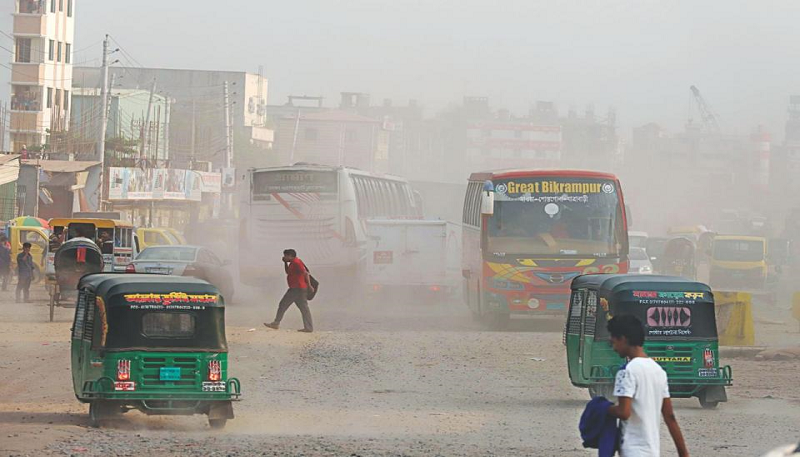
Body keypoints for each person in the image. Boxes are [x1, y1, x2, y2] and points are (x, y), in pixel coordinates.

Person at [606, 315, 689, 457]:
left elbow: (624, 412)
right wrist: (684, 454)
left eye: (613, 343)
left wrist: (603, 408)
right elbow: (670, 417)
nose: (614, 348)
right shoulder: (658, 371)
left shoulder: (627, 371)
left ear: (623, 339)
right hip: (652, 451)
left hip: (631, 450)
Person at [264, 249, 315, 333]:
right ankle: (309, 328)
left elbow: (306, 273)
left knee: (283, 304)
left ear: (290, 256)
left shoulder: (297, 263)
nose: (284, 257)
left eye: (285, 255)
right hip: (298, 288)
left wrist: (309, 285)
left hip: (297, 289)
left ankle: (276, 323)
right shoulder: (292, 263)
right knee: (304, 308)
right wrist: (285, 263)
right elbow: (288, 272)